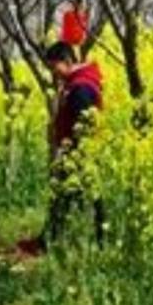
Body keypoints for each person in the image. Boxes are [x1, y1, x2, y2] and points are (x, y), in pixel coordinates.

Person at [37, 40, 106, 250]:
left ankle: (53, 241)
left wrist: (74, 153)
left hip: (80, 152)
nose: (53, 73)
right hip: (75, 153)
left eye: (53, 67)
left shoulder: (81, 87)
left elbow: (85, 122)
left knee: (81, 197)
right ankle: (51, 240)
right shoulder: (75, 84)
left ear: (67, 60)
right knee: (70, 197)